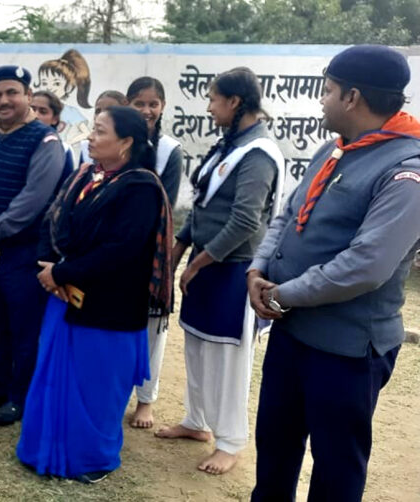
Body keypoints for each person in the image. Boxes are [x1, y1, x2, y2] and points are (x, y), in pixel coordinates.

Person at [249, 45, 420, 501]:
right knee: (274, 452)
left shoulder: (406, 170)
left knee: (335, 471)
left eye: (327, 90)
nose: (321, 100)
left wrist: (283, 294)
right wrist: (258, 267)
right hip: (292, 333)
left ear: (353, 97)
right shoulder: (334, 149)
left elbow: (366, 266)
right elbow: (288, 215)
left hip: (346, 350)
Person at [17, 105, 171, 484]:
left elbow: (120, 250)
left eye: (100, 131)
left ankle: (92, 460)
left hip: (109, 310)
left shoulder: (141, 188)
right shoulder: (87, 175)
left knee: (96, 388)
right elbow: (53, 219)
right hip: (65, 299)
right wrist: (47, 265)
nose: (91, 136)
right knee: (54, 381)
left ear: (126, 142)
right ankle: (45, 450)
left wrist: (60, 272)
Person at [155, 68, 284, 475]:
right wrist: (179, 248)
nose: (209, 107)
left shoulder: (258, 153)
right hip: (208, 262)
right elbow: (203, 205)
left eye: (214, 99)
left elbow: (245, 221)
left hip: (234, 269)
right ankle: (197, 421)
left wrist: (197, 262)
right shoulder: (229, 145)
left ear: (235, 101)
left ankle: (230, 442)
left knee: (228, 356)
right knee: (197, 344)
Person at [0, 65, 66, 426]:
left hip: (22, 251)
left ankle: (20, 399)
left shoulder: (46, 140)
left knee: (24, 328)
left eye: (11, 93)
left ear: (27, 95)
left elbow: (34, 198)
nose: (3, 101)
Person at [125, 76, 183, 429]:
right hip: (117, 252)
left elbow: (166, 204)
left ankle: (146, 400)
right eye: (139, 103)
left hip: (151, 252)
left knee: (152, 329)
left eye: (153, 104)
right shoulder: (119, 142)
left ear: (162, 107)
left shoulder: (169, 151)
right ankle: (118, 391)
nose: (147, 110)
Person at [78, 90, 127, 165]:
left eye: (109, 111)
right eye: (98, 111)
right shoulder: (87, 147)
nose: (101, 115)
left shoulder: (128, 147)